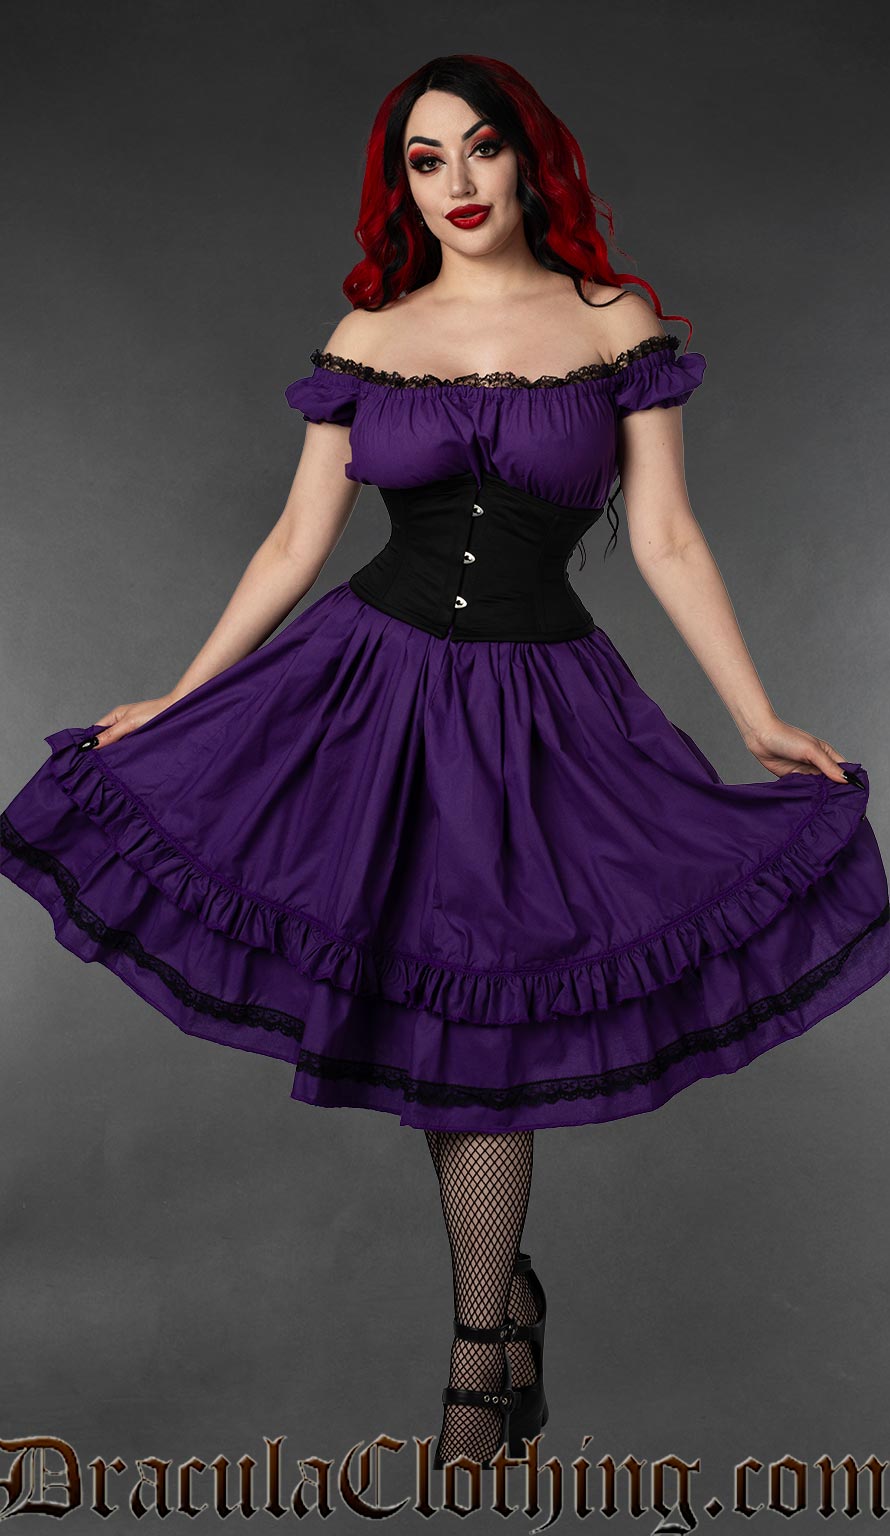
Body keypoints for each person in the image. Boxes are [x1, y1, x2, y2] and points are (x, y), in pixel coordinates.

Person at [1, 52, 888, 1473]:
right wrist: (180, 696)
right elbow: (296, 541)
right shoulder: (370, 334)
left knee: (482, 1020)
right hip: (368, 696)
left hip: (540, 713)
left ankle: (482, 1342)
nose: (459, 183)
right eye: (426, 160)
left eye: (481, 148)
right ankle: (495, 1320)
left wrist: (756, 716)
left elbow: (665, 536)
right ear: (400, 185)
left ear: (530, 158)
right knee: (427, 1010)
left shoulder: (614, 321)